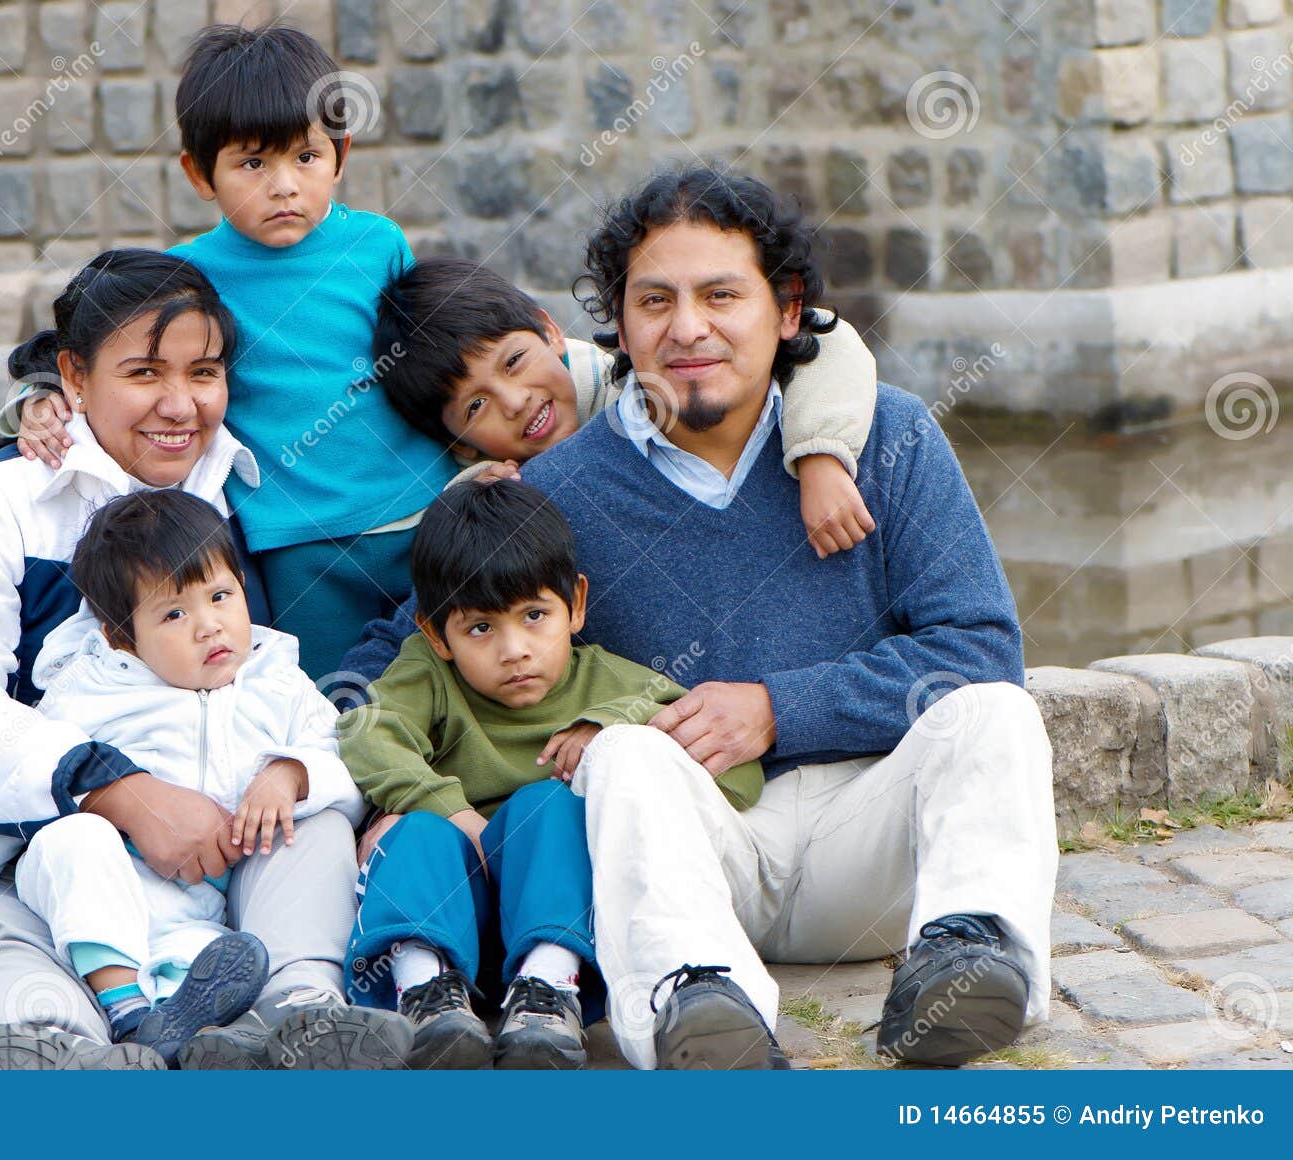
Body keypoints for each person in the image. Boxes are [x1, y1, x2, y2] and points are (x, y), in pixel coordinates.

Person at [346, 167, 1057, 1071]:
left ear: (787, 311)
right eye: (655, 301)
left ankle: (965, 957)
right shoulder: (559, 490)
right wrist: (348, 770)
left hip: (874, 843)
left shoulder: (889, 439)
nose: (687, 328)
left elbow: (982, 650)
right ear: (618, 323)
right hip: (695, 859)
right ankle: (700, 999)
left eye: (721, 294)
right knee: (625, 752)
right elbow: (430, 631)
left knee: (997, 712)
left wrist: (775, 707)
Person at [0, 249, 387, 1070]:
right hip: (21, 852)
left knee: (313, 826)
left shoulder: (235, 493)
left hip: (224, 851)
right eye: (144, 373)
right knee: (0, 956)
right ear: (72, 376)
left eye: (205, 372)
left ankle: (302, 1015)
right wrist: (117, 790)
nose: (180, 405)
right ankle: (69, 1055)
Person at [0, 490, 412, 1068]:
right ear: (121, 635)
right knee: (72, 835)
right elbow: (20, 789)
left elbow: (344, 763)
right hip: (96, 891)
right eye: (173, 613)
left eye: (220, 596)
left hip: (202, 905)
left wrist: (292, 774)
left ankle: (236, 1025)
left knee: (301, 846)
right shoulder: (91, 695)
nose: (209, 626)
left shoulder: (278, 685)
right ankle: (123, 1014)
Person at [0, 23, 456, 679]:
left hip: (425, 516)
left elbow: (439, 352)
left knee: (447, 683)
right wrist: (40, 391)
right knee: (333, 704)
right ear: (198, 173)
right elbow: (86, 335)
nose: (283, 186)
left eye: (306, 157)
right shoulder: (189, 276)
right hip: (295, 544)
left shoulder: (379, 245)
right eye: (252, 163)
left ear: (341, 154)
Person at [340, 479, 775, 1069]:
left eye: (534, 615)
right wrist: (451, 811)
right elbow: (364, 733)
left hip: (562, 918)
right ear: (435, 633)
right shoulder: (429, 675)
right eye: (480, 628)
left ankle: (547, 997)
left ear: (576, 604)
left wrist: (610, 728)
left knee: (547, 806)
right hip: (450, 905)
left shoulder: (614, 683)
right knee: (411, 830)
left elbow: (737, 776)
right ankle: (428, 1001)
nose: (514, 649)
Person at [370, 255, 879, 559]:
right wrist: (478, 504)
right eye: (476, 405)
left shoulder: (639, 378)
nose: (516, 400)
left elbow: (824, 337)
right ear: (459, 442)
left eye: (514, 362)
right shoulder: (502, 479)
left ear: (551, 332)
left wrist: (820, 457)